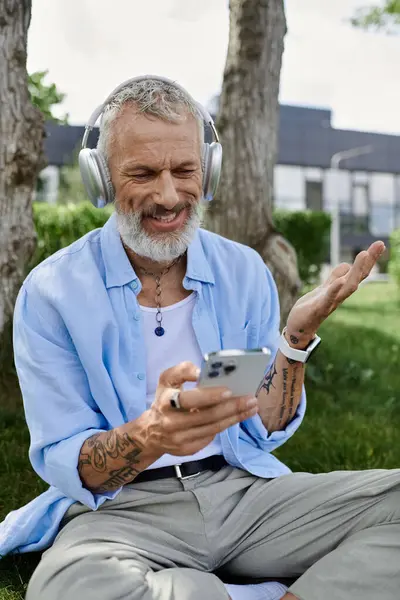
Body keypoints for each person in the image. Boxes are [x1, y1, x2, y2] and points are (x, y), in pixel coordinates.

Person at [1, 76, 398, 600]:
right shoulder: (51, 293)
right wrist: (150, 435)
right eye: (143, 173)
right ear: (100, 180)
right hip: (126, 509)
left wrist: (295, 340)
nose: (169, 195)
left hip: (242, 493)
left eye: (184, 170)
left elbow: (261, 424)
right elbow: (72, 462)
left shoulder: (242, 271)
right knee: (70, 586)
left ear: (208, 170)